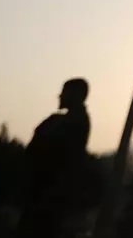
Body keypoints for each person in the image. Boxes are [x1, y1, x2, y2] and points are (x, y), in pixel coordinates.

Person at [17, 78, 91, 238]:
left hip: (48, 198)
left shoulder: (72, 122)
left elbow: (48, 151)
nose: (59, 96)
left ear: (76, 94)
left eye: (64, 92)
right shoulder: (67, 121)